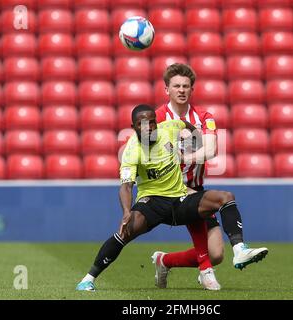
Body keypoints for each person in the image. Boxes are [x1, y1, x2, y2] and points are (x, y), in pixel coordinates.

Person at [76, 104, 268, 291]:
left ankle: (239, 250)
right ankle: (88, 279)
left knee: (225, 197)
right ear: (134, 127)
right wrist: (127, 211)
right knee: (125, 232)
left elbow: (186, 126)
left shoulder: (169, 127)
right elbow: (126, 186)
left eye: (152, 122)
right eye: (143, 124)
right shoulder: (131, 150)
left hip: (179, 199)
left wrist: (196, 140)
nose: (149, 127)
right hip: (152, 201)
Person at [152, 63, 238, 289]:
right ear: (166, 90)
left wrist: (183, 158)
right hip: (167, 190)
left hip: (194, 187)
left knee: (217, 254)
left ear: (192, 90)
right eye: (176, 86)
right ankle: (205, 271)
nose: (181, 90)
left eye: (186, 86)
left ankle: (164, 260)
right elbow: (153, 157)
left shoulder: (204, 116)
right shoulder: (157, 119)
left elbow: (210, 150)